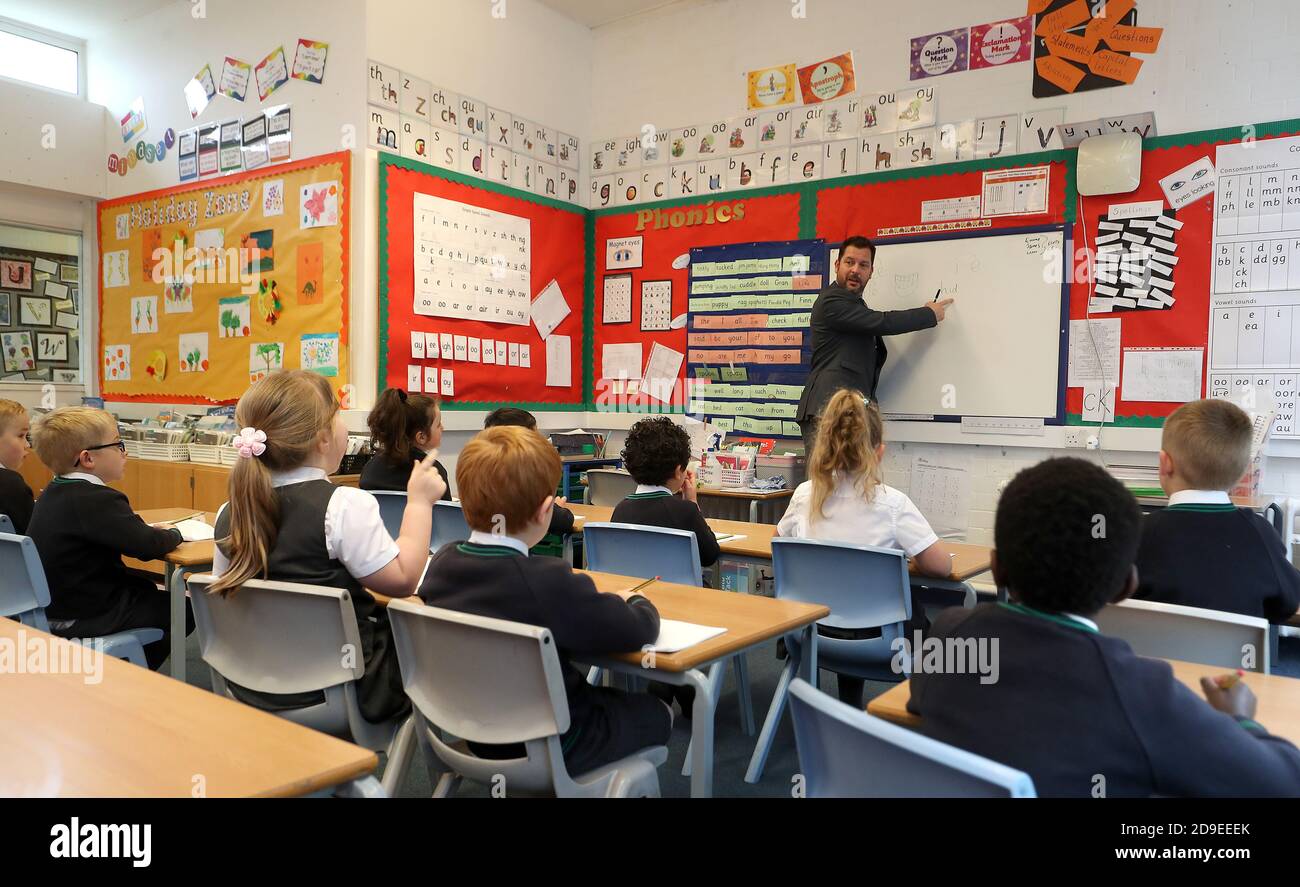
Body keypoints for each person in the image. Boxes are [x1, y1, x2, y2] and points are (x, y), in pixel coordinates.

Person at [907, 457, 1300, 797]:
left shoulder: (949, 634)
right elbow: (1282, 783)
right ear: (1125, 585)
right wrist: (1241, 718)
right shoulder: (1143, 692)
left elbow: (919, 704)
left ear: (997, 568)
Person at [418, 425, 671, 773]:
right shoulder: (547, 581)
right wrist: (634, 602)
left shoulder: (441, 565)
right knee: (657, 713)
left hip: (474, 730)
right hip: (560, 741)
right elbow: (635, 631)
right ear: (545, 510)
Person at [210, 371, 445, 721]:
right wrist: (419, 504)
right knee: (430, 636)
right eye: (340, 417)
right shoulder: (343, 506)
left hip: (251, 684)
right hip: (346, 689)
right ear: (323, 438)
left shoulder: (230, 511)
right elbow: (403, 581)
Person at [28, 406, 189, 670]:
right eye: (118, 444)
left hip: (54, 608)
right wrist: (175, 533)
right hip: (88, 613)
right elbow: (147, 546)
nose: (124, 452)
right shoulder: (98, 499)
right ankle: (128, 671)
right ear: (88, 458)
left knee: (147, 591)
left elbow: (121, 532)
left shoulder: (52, 492)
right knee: (184, 610)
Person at [1135, 398, 1300, 622]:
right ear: (1243, 471)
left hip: (1154, 656)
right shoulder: (1260, 533)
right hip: (1238, 658)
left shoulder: (1136, 535)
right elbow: (1288, 604)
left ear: (1165, 463)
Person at [796, 235, 953, 453]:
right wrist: (929, 314)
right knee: (826, 484)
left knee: (848, 483)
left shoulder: (855, 305)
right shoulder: (831, 301)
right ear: (837, 265)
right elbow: (882, 322)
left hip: (845, 412)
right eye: (849, 262)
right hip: (828, 410)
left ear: (871, 272)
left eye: (863, 265)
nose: (855, 270)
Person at [360, 387, 451, 499]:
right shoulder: (433, 473)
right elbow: (444, 514)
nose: (443, 428)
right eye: (438, 424)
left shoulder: (370, 469)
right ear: (421, 437)